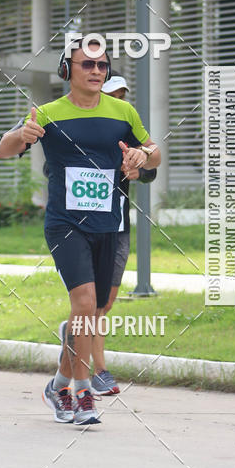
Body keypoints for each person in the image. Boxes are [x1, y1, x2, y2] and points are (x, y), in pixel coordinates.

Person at [0, 40, 160, 425]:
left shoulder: (123, 112)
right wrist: (23, 134)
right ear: (67, 69)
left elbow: (153, 152)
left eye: (103, 65)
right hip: (65, 223)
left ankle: (57, 387)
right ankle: (83, 392)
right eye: (87, 64)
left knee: (89, 313)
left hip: (109, 224)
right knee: (85, 304)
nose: (97, 72)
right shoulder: (49, 113)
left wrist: (142, 156)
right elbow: (3, 150)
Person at [57, 71, 158, 397]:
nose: (119, 100)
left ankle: (72, 335)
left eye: (122, 94)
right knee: (93, 305)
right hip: (77, 226)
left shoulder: (126, 132)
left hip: (116, 227)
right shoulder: (77, 129)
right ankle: (98, 371)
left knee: (106, 303)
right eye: (113, 94)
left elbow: (150, 171)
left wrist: (136, 167)